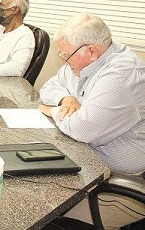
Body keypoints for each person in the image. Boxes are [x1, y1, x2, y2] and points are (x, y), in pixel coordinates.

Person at [39, 13, 145, 229]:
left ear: (91, 51)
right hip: (86, 162)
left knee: (46, 219)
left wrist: (52, 110)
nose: (63, 60)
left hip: (114, 183)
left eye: (66, 55)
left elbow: (81, 128)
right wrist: (66, 98)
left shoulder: (121, 74)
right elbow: (48, 87)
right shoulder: (82, 63)